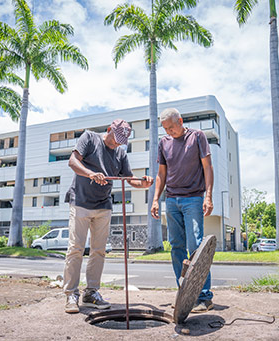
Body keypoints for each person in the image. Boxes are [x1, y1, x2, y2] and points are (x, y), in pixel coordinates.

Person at [63, 119, 153, 314]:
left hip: (103, 205)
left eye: (121, 141)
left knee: (99, 250)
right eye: (115, 139)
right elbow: (72, 161)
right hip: (80, 201)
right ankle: (71, 293)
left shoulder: (120, 152)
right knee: (76, 249)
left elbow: (129, 179)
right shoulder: (89, 138)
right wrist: (91, 174)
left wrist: (143, 183)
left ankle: (91, 293)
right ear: (109, 130)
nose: (117, 144)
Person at [151, 108, 214, 313]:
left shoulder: (197, 136)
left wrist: (209, 196)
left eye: (171, 127)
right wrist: (155, 200)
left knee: (195, 245)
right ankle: (184, 293)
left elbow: (207, 167)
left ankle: (204, 296)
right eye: (165, 129)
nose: (169, 132)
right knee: (176, 245)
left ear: (180, 120)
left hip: (193, 199)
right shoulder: (164, 143)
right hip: (171, 200)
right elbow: (161, 174)